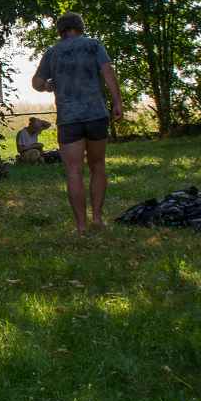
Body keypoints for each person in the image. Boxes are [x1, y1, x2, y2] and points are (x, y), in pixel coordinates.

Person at [32, 12, 123, 235]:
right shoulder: (94, 46)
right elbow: (108, 73)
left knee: (73, 171)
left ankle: (81, 226)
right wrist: (117, 102)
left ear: (60, 31)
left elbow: (37, 82)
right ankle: (98, 219)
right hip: (95, 114)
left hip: (69, 119)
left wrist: (47, 86)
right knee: (98, 165)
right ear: (80, 27)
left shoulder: (52, 52)